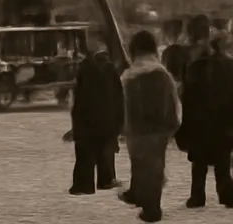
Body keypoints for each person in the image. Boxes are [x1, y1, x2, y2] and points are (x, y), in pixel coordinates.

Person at [120, 29, 182, 223]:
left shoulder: (129, 75)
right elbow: (174, 101)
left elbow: (121, 104)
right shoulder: (162, 74)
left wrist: (122, 127)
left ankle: (152, 210)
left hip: (137, 129)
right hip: (160, 129)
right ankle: (146, 201)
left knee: (140, 163)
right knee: (155, 167)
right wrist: (174, 125)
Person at [175, 17, 233, 208]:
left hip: (200, 120)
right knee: (221, 160)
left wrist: (184, 126)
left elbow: (187, 96)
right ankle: (225, 193)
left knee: (200, 161)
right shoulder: (227, 63)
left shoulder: (193, 65)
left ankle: (198, 195)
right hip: (222, 119)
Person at [69, 39, 124, 194]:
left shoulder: (85, 69)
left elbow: (79, 99)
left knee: (86, 151)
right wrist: (119, 122)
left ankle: (84, 185)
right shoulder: (110, 70)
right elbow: (119, 98)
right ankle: (105, 179)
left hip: (88, 118)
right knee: (105, 149)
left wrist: (76, 125)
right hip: (107, 118)